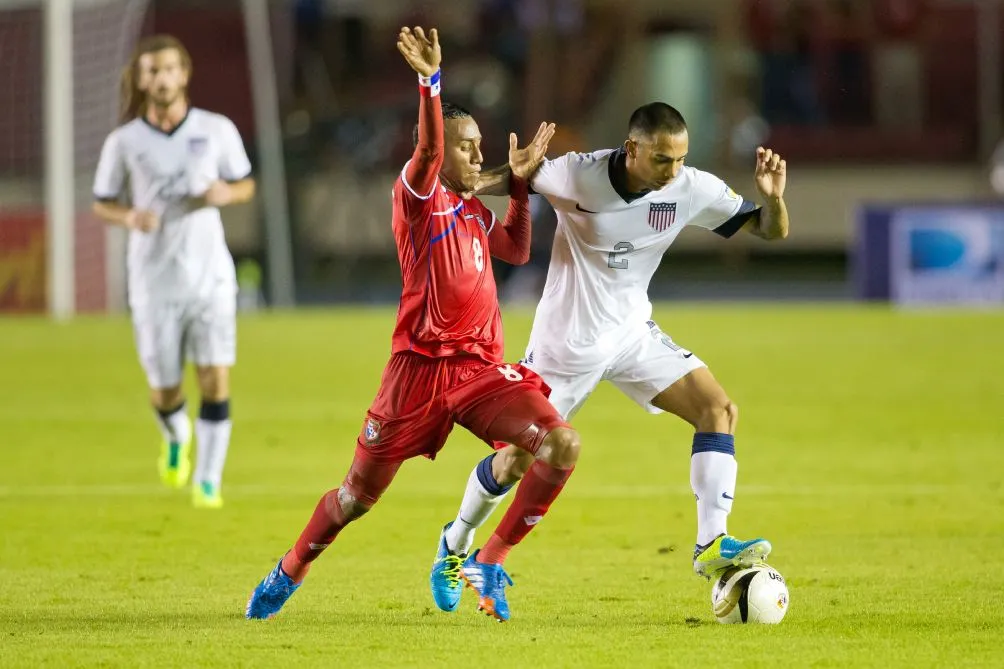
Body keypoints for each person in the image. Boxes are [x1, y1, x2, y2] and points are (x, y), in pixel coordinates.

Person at [244, 26, 579, 623]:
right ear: (438, 149)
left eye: (481, 145)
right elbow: (425, 153)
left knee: (554, 444)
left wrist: (520, 186)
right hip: (416, 374)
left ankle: (467, 551)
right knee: (354, 500)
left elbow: (517, 250)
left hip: (478, 369)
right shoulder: (417, 198)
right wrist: (430, 81)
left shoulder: (471, 204)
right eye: (467, 145)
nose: (478, 155)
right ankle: (291, 567)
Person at [430, 102, 790, 612]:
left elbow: (769, 230)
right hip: (565, 346)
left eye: (681, 159)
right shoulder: (577, 175)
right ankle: (455, 545)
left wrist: (773, 200)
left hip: (631, 334)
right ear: (633, 149)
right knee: (517, 460)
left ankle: (711, 543)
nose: (674, 171)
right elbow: (476, 186)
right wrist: (507, 171)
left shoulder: (690, 188)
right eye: (663, 160)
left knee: (718, 410)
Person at [92, 35, 256, 509]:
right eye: (151, 71)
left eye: (168, 69)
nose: (160, 78)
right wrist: (130, 217)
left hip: (210, 279)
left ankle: (208, 480)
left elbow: (245, 183)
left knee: (214, 380)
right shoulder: (124, 142)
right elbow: (103, 203)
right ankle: (175, 434)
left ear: (183, 73)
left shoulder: (215, 129)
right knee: (164, 390)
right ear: (141, 80)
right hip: (153, 281)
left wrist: (227, 193)